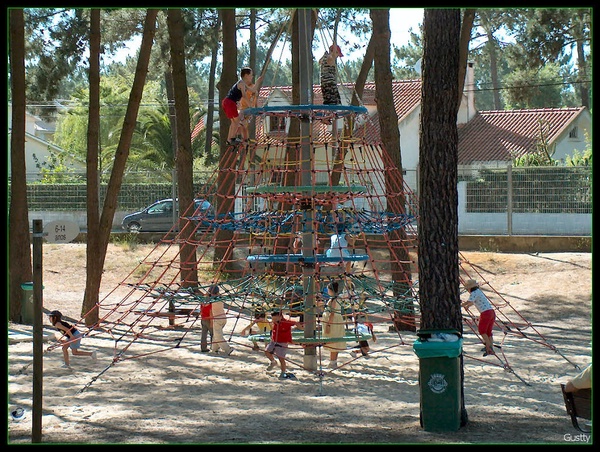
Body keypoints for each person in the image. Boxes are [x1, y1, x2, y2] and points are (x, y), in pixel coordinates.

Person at [221, 67, 263, 145]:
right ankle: (232, 138)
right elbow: (244, 95)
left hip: (227, 102)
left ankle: (229, 140)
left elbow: (253, 90)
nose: (252, 77)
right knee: (236, 121)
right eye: (251, 75)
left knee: (234, 122)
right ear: (246, 75)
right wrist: (250, 105)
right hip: (230, 102)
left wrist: (257, 82)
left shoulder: (243, 84)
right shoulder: (241, 83)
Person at [461, 279, 496, 356]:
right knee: (488, 331)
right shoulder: (479, 292)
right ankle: (490, 346)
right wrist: (468, 306)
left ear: (469, 288)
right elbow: (474, 302)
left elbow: (470, 301)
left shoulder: (473, 293)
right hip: (491, 312)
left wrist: (461, 305)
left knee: (482, 331)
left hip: (485, 314)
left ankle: (488, 348)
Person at [265, 310, 300, 379]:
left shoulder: (286, 322)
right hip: (274, 340)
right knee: (267, 351)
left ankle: (283, 372)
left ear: (280, 317)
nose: (273, 320)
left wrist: (301, 327)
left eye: (275, 319)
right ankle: (273, 362)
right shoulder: (274, 323)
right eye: (273, 319)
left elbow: (296, 323)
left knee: (281, 358)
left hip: (283, 342)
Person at [322, 281, 347, 369]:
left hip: (333, 322)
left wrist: (328, 325)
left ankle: (332, 362)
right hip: (337, 321)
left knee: (332, 342)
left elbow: (332, 313)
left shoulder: (334, 300)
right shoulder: (337, 298)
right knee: (335, 342)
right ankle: (333, 362)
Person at [207, 285, 234, 356]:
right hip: (223, 318)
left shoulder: (212, 299)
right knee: (216, 334)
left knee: (218, 336)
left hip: (218, 319)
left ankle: (227, 349)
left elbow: (206, 303)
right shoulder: (220, 298)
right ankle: (214, 349)